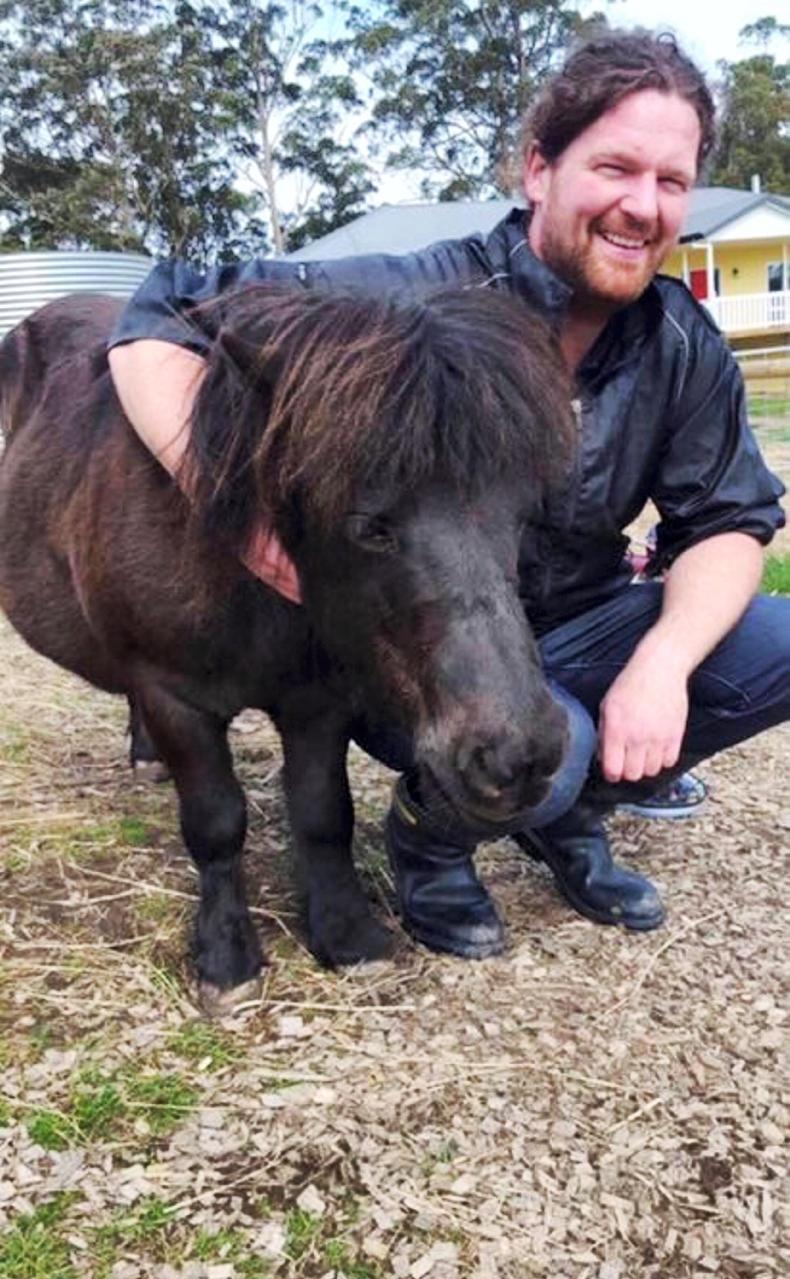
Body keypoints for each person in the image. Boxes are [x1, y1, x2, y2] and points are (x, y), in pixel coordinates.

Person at [107, 29, 787, 955]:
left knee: (768, 650)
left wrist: (662, 667)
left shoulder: (679, 343)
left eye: (672, 181)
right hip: (427, 641)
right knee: (548, 747)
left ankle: (567, 815)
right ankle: (432, 843)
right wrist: (237, 516)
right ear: (539, 169)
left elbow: (731, 520)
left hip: (579, 620)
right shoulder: (409, 300)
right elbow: (165, 307)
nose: (643, 205)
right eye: (615, 168)